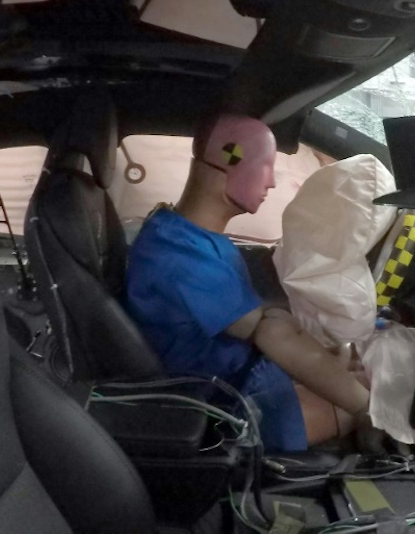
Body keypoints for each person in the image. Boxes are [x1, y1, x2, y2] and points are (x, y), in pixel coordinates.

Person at [124, 114, 376, 452]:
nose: (271, 183)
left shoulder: (182, 236)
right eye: (266, 166)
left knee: (362, 374)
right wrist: (367, 409)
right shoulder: (182, 258)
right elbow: (267, 330)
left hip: (240, 374)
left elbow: (260, 321)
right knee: (375, 405)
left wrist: (331, 358)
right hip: (227, 404)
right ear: (230, 162)